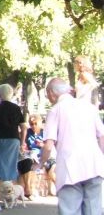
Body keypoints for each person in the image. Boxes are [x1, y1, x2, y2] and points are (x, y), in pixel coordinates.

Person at [41, 77, 104, 215]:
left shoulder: (55, 110)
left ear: (51, 93)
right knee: (94, 210)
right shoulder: (89, 107)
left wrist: (41, 163)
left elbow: (49, 145)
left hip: (69, 168)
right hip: (94, 165)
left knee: (70, 209)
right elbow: (102, 136)